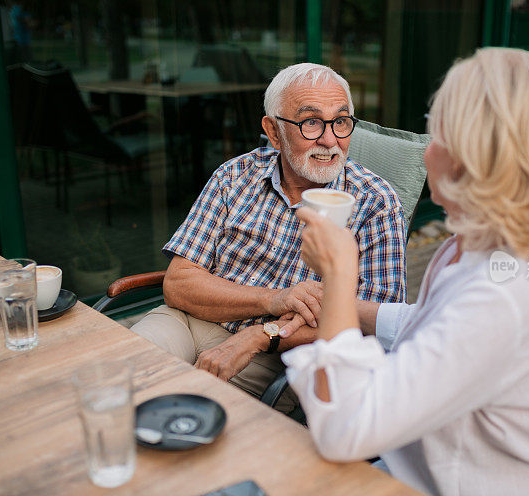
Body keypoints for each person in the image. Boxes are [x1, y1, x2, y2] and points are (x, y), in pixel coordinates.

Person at [283, 48, 529, 496]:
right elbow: (436, 326)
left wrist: (338, 275)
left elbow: (344, 429)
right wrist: (356, 309)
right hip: (414, 483)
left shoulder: (505, 298)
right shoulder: (485, 245)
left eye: (436, 135)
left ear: (475, 160)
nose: (425, 150)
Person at [131, 63, 407, 413]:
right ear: (273, 132)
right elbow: (179, 284)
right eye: (310, 122)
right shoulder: (235, 176)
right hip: (188, 321)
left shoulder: (376, 203)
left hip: (280, 357)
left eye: (340, 121)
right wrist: (275, 300)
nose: (329, 139)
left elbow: (368, 327)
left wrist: (264, 335)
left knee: (185, 411)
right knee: (121, 376)